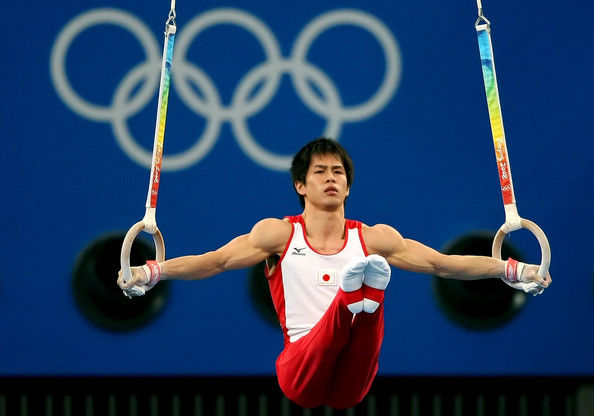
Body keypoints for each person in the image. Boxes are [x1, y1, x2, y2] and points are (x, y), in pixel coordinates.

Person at [118, 137, 551, 409]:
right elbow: (214, 260)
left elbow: (443, 264)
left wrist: (515, 269)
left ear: (348, 186)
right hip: (299, 367)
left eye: (338, 172)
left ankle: (364, 296)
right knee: (347, 313)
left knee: (366, 327)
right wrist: (151, 271)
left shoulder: (374, 239)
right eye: (320, 172)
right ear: (300, 185)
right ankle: (358, 295)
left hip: (352, 382)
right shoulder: (278, 234)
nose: (331, 178)